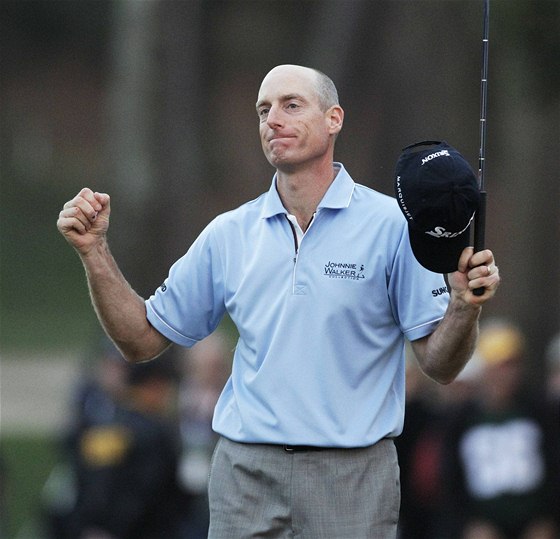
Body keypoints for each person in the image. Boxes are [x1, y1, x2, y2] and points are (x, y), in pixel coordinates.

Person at [56, 64, 500, 538]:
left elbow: (441, 364)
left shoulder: (392, 226)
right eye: (263, 110)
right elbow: (140, 340)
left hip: (353, 477)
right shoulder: (229, 234)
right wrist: (94, 252)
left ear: (334, 119)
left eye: (291, 105)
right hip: (244, 473)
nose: (273, 120)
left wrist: (463, 306)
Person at [441, 320, 559, 539]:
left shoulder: (539, 411)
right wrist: (467, 523)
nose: (504, 374)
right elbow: (451, 481)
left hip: (533, 521)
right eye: (498, 366)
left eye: (511, 365)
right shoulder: (462, 419)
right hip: (482, 523)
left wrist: (548, 519)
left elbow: (553, 468)